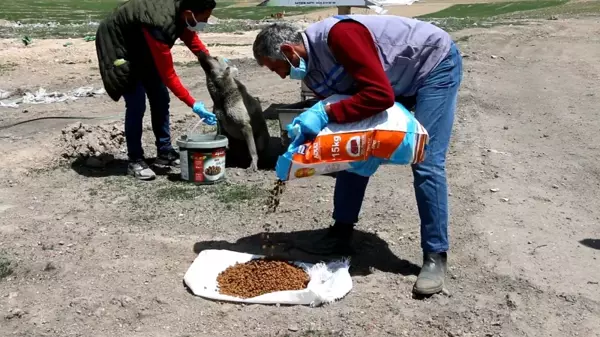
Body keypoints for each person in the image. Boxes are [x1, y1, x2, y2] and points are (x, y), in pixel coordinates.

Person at [252, 15, 463, 295]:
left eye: (276, 67)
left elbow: (379, 96)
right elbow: (349, 115)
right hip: (391, 78)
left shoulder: (341, 36)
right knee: (354, 151)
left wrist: (324, 112)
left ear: (289, 51)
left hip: (430, 66)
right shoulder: (313, 73)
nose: (280, 75)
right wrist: (305, 142)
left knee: (426, 160)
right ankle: (340, 234)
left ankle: (435, 256)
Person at [95, 0, 221, 180]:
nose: (206, 22)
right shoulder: (158, 26)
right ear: (188, 13)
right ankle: (135, 160)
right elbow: (169, 75)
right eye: (205, 17)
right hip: (117, 43)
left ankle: (165, 152)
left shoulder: (180, 14)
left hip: (141, 43)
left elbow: (190, 38)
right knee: (136, 103)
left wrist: (212, 61)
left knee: (160, 98)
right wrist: (193, 104)